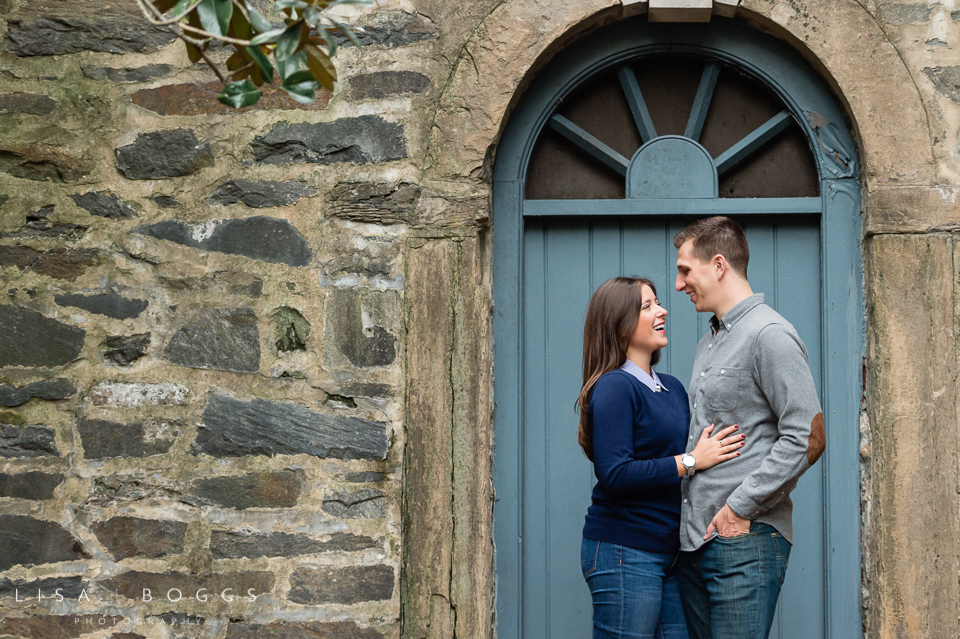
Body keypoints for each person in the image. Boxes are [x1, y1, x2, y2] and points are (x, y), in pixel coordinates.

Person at [672, 217, 826, 639]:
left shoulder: (769, 334)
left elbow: (807, 436)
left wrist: (740, 507)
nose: (679, 284)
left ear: (718, 264)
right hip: (696, 544)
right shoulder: (709, 342)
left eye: (686, 270)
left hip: (744, 542)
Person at [577, 276, 744, 639]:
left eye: (658, 302)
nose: (662, 310)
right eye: (647, 306)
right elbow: (616, 474)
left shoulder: (671, 387)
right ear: (619, 322)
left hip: (670, 553)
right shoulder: (615, 386)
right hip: (624, 549)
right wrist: (691, 461)